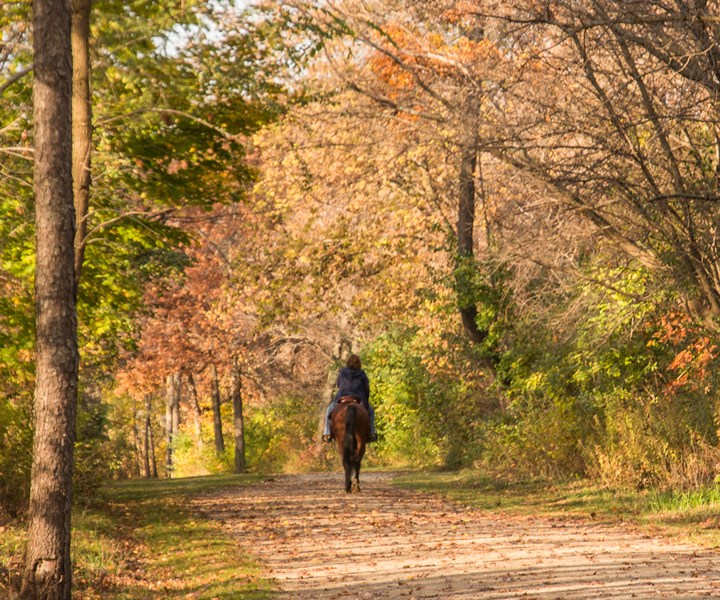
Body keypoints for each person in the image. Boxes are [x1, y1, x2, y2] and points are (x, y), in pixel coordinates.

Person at [322, 354, 377, 443]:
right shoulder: (362, 373)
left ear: (348, 362)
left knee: (329, 409)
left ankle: (327, 432)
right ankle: (372, 433)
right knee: (371, 412)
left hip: (343, 396)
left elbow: (338, 384)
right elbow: (366, 388)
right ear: (359, 363)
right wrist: (365, 402)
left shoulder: (342, 372)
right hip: (358, 398)